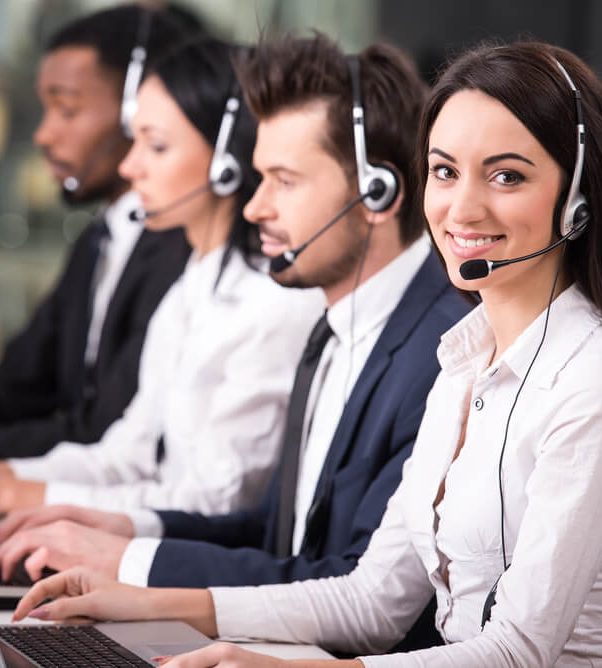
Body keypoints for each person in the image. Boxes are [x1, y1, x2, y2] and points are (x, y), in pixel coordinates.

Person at [14, 40, 602, 668]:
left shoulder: (598, 386)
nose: (462, 206)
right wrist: (138, 601)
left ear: (575, 201)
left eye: (506, 176)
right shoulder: (464, 363)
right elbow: (371, 600)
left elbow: (516, 651)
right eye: (444, 171)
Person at [2, 34, 470, 650]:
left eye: (284, 180)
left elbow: (360, 594)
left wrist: (137, 571)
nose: (253, 208)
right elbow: (275, 535)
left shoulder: (443, 351)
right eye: (258, 177)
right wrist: (118, 530)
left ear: (376, 193)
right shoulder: (336, 325)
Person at [0, 37, 322, 515]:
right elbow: (130, 451)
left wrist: (43, 496)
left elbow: (219, 499)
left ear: (227, 160)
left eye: (156, 145)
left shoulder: (274, 303)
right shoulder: (192, 284)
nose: (130, 167)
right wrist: (19, 477)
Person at [0, 4, 196, 459]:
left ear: (136, 111)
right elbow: (21, 380)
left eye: (67, 110)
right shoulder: (98, 239)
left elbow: (106, 428)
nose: (44, 135)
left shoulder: (184, 247)